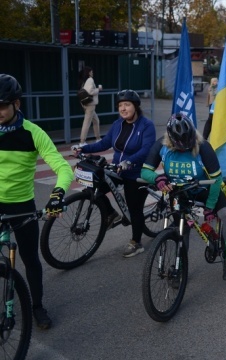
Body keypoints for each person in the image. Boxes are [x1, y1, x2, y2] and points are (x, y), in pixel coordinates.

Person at [0, 74, 74, 329]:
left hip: (22, 206)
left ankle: (37, 306)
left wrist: (57, 195)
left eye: (2, 106)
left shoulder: (33, 133)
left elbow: (64, 169)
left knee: (31, 259)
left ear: (16, 105)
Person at [142, 114, 226, 280]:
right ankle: (179, 268)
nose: (183, 149)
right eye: (179, 147)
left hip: (206, 189)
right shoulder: (161, 144)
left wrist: (209, 207)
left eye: (187, 146)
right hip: (179, 192)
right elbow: (145, 171)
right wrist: (157, 178)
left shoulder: (203, 146)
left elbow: (216, 179)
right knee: (181, 228)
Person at [74, 90, 156, 257]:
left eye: (127, 105)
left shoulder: (146, 125)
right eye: (120, 105)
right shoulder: (117, 124)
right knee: (92, 189)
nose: (123, 108)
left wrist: (130, 161)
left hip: (137, 172)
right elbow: (105, 143)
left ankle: (136, 242)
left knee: (135, 209)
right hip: (118, 169)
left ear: (135, 106)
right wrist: (84, 148)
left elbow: (147, 149)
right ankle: (111, 214)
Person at [78, 66, 102, 147]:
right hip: (90, 105)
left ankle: (98, 138)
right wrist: (98, 89)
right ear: (88, 72)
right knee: (87, 122)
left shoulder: (83, 81)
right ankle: (82, 142)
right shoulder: (90, 79)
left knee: (96, 120)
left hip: (85, 104)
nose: (92, 73)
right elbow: (90, 92)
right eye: (91, 71)